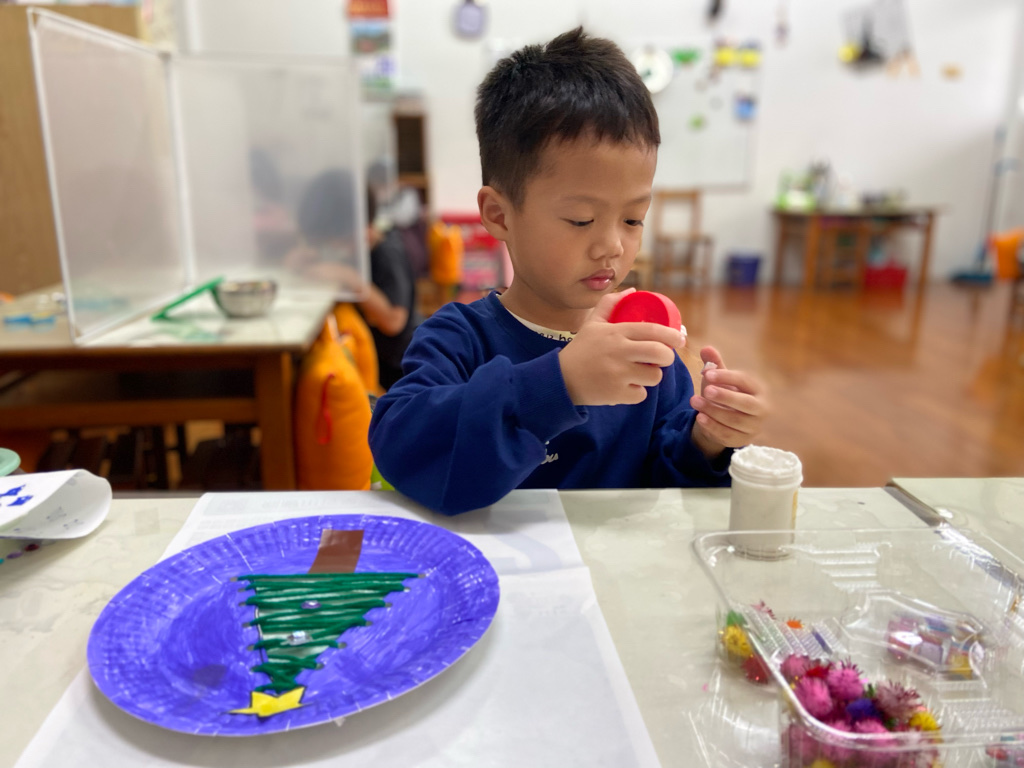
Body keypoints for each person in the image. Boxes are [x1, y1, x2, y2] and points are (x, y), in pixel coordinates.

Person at [369, 28, 769, 515]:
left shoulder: (643, 346)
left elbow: (666, 487)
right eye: (581, 220)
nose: (613, 245)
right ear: (499, 215)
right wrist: (558, 385)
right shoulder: (459, 339)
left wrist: (707, 439)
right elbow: (403, 449)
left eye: (633, 219)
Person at [290, 170, 421, 390]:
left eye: (331, 242)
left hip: (400, 368)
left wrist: (349, 277)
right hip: (374, 360)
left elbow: (394, 321)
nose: (329, 249)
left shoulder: (387, 254)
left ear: (360, 229)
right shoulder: (355, 251)